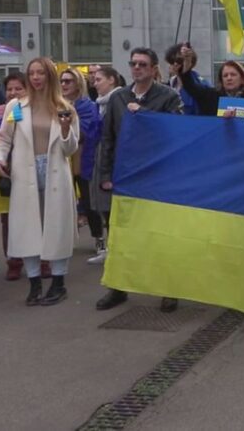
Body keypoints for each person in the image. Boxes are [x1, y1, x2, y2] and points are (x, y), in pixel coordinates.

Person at [95, 48, 183, 312]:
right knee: (122, 235)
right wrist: (106, 174)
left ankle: (169, 289)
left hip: (157, 175)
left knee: (162, 235)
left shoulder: (168, 96)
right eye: (133, 64)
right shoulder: (119, 97)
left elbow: (176, 130)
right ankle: (118, 288)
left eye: (143, 64)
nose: (137, 68)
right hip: (126, 174)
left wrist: (144, 114)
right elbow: (108, 137)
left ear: (154, 68)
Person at [0, 58, 80, 306]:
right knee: (28, 227)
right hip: (25, 171)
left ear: (50, 76)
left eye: (41, 73)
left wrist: (65, 130)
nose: (36, 78)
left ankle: (58, 282)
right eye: (32, 73)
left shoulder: (65, 107)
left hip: (54, 171)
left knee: (56, 227)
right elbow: (3, 137)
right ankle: (34, 283)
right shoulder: (16, 106)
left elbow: (70, 148)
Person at [0, 73, 27, 280]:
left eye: (18, 88)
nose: (13, 93)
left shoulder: (36, 109)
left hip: (32, 170)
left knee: (35, 216)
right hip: (10, 172)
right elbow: (1, 138)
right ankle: (13, 260)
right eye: (10, 89)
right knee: (8, 218)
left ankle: (43, 259)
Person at [59, 68, 104, 256]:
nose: (64, 84)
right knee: (61, 202)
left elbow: (87, 133)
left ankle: (99, 238)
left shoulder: (87, 105)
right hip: (61, 160)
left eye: (68, 81)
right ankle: (64, 238)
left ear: (78, 84)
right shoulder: (55, 104)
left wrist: (70, 125)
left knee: (88, 202)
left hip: (82, 160)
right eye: (62, 81)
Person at [87, 66, 125, 265]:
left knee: (112, 208)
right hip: (99, 157)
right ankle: (111, 247)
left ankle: (117, 250)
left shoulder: (118, 101)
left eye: (99, 79)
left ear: (112, 80)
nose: (95, 83)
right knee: (103, 207)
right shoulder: (99, 104)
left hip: (112, 160)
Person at [177, 47, 244, 116]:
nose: (229, 78)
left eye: (233, 75)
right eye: (225, 75)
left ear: (242, 79)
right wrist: (187, 65)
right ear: (221, 80)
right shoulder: (211, 95)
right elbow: (191, 87)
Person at [166, 44, 212, 115]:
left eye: (178, 61)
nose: (173, 64)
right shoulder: (171, 83)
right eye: (171, 61)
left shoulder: (201, 83)